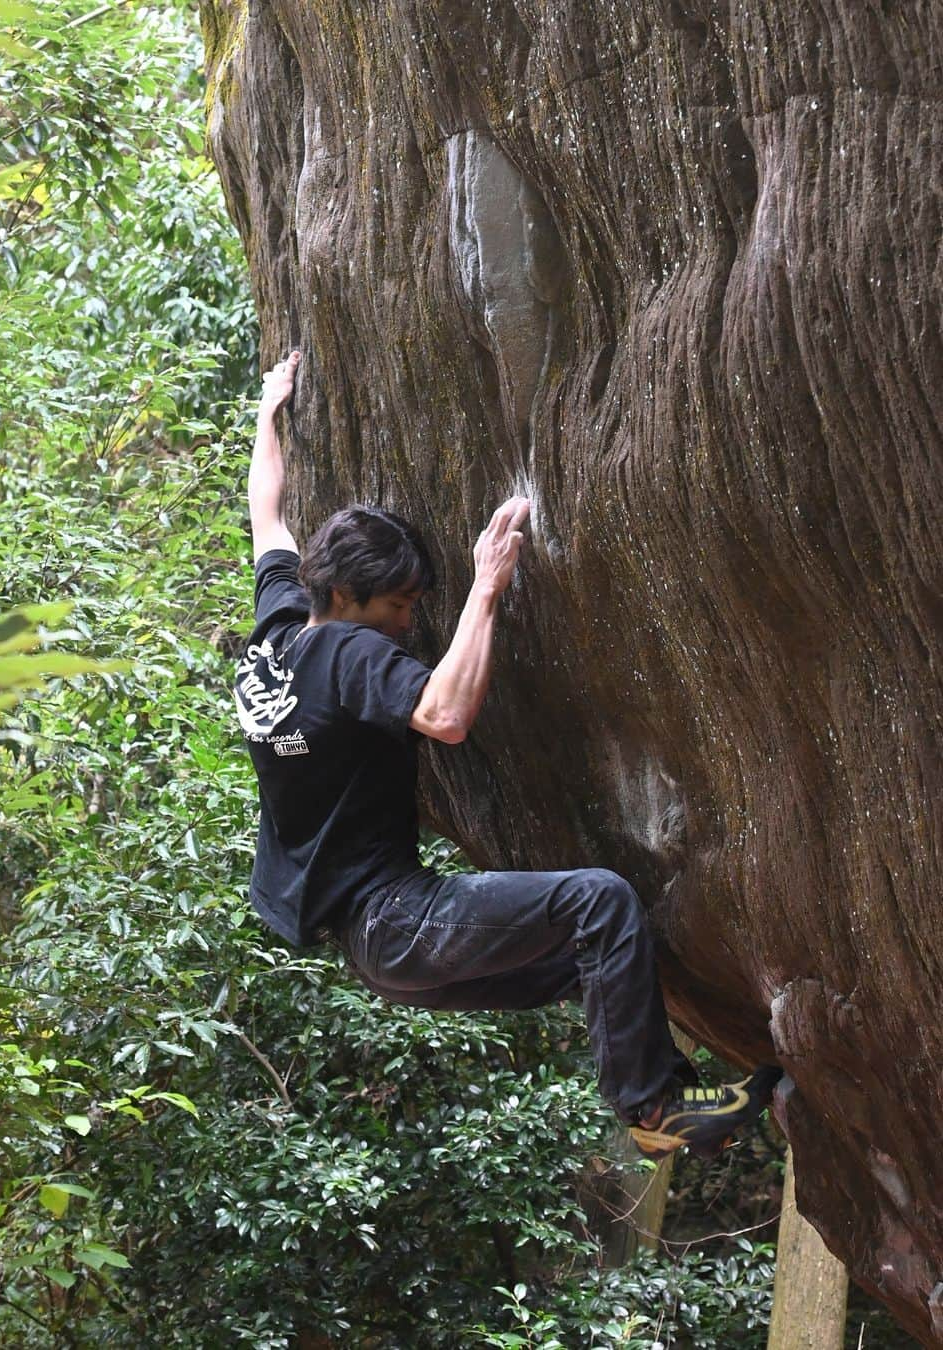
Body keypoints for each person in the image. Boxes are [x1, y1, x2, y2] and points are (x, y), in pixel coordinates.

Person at [234, 349, 779, 1158]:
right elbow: (447, 715)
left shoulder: (280, 630)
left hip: (376, 952)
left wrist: (268, 412)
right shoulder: (351, 656)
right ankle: (653, 1110)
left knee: (598, 963)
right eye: (398, 606)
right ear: (345, 599)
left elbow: (265, 511)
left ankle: (672, 1096)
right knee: (600, 904)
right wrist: (486, 587)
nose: (407, 623)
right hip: (400, 922)